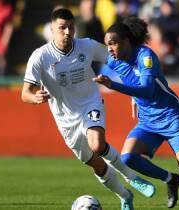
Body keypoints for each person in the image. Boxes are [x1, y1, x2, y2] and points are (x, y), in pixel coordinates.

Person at [21, 8, 155, 210]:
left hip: (90, 104)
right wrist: (35, 96)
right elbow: (25, 93)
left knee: (97, 144)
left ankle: (132, 177)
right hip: (65, 119)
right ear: (52, 29)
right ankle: (125, 196)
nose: (67, 32)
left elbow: (116, 59)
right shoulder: (40, 57)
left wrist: (135, 89)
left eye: (71, 28)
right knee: (97, 164)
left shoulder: (87, 46)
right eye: (62, 28)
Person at [93, 17, 179, 210]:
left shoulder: (145, 56)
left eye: (113, 43)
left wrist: (113, 85)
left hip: (170, 116)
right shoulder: (114, 61)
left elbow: (148, 90)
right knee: (128, 157)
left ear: (126, 42)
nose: (109, 49)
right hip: (147, 120)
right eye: (107, 44)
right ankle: (170, 179)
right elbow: (129, 79)